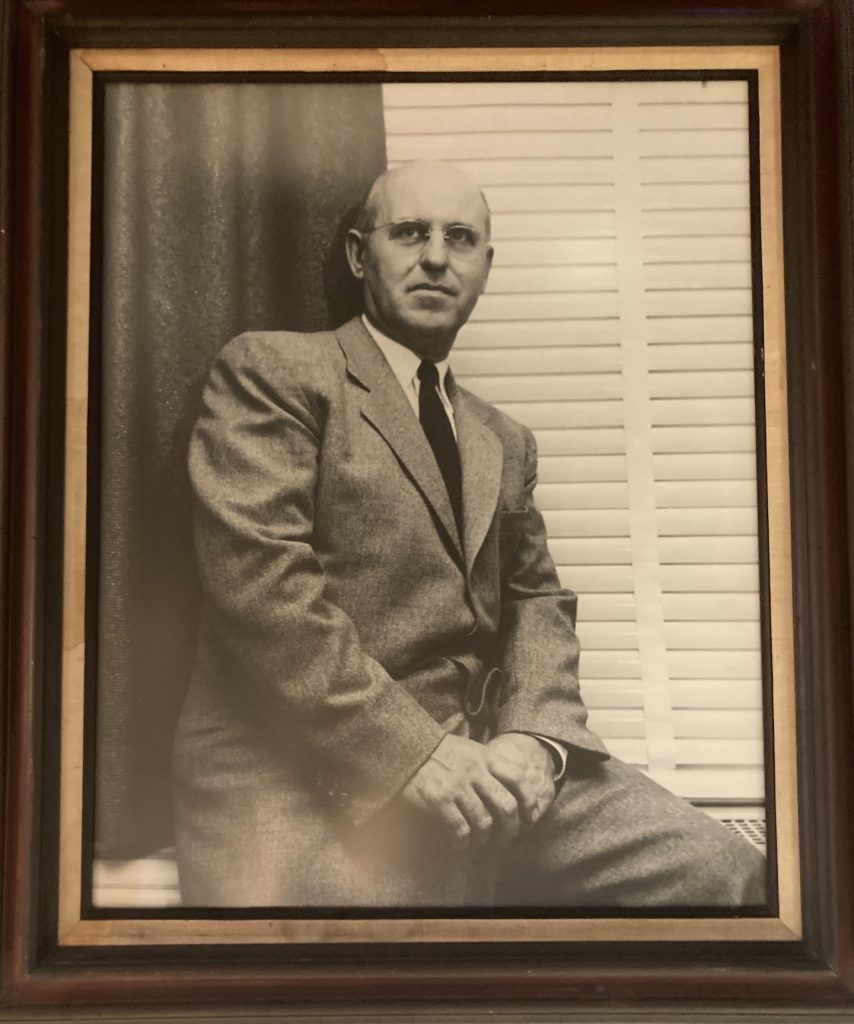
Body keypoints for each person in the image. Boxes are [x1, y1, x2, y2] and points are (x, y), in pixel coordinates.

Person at [172, 160, 766, 908]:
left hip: (484, 760)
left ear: (486, 266)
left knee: (727, 876)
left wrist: (533, 739)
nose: (434, 256)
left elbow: (537, 603)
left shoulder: (502, 439)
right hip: (301, 774)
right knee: (369, 970)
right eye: (409, 232)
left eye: (460, 238)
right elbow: (260, 588)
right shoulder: (275, 371)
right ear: (361, 256)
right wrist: (412, 753)